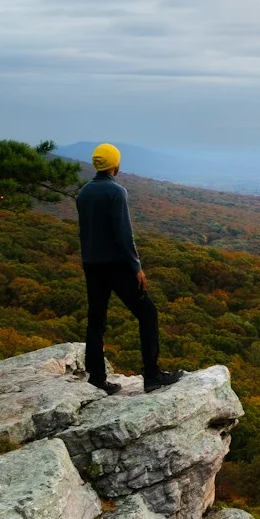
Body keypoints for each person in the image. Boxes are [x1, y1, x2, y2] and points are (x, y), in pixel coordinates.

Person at [75, 143, 184, 394]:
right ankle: (152, 375)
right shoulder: (116, 192)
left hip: (92, 265)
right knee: (147, 313)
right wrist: (136, 266)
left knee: (96, 322)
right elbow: (124, 235)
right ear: (115, 164)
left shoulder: (83, 193)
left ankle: (96, 379)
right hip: (118, 265)